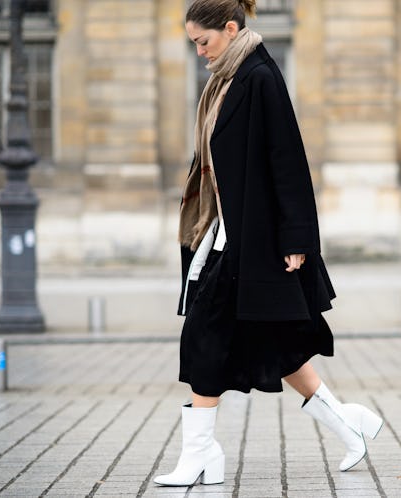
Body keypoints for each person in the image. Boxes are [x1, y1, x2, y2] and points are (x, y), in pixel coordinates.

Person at [154, 0, 383, 487]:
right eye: (194, 44)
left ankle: (199, 454)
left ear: (230, 29)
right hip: (226, 229)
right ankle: (349, 425)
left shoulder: (259, 76)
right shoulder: (226, 80)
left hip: (254, 237)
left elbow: (288, 158)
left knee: (203, 336)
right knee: (274, 344)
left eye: (204, 41)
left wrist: (296, 236)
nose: (199, 53)